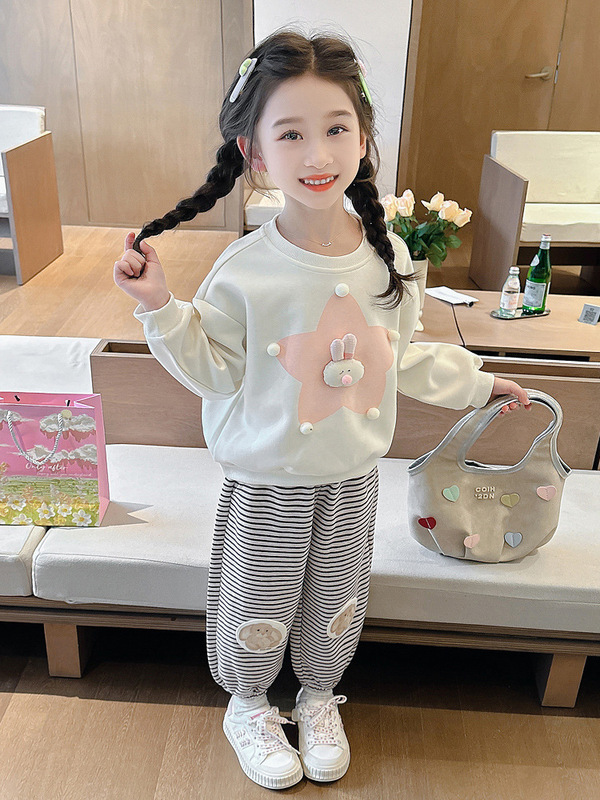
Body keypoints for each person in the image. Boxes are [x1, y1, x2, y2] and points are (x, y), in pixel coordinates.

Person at [113, 27, 531, 791]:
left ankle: (316, 696)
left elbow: (400, 356)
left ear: (364, 139)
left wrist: (478, 384)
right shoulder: (244, 269)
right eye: (291, 134)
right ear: (253, 153)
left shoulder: (390, 256)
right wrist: (159, 308)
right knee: (259, 598)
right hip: (268, 482)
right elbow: (213, 372)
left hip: (351, 475)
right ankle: (248, 703)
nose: (318, 154)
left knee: (335, 600)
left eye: (337, 129)